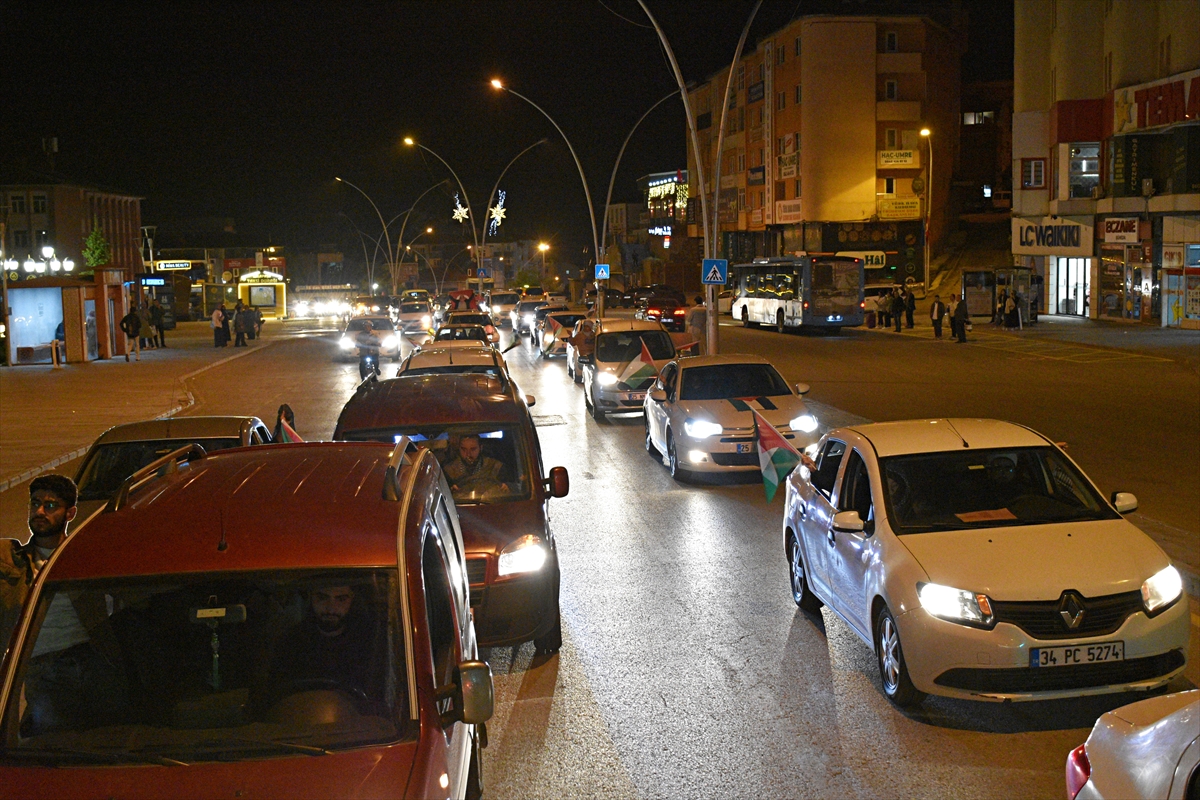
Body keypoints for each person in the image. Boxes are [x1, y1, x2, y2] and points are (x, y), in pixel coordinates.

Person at [1, 475, 126, 734]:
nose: (39, 512)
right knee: (51, 732)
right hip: (42, 664)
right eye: (35, 504)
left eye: (50, 506)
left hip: (90, 658)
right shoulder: (14, 561)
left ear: (70, 513)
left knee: (112, 733)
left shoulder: (83, 558)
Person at [261, 583, 381, 713]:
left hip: (354, 726)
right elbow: (273, 694)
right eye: (322, 597)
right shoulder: (290, 642)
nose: (331, 608)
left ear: (352, 600)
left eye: (341, 599)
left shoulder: (368, 643)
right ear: (311, 597)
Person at [443, 434, 507, 498]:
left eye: (473, 449)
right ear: (459, 448)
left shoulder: (495, 467)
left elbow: (511, 488)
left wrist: (506, 487)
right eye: (463, 449)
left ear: (480, 448)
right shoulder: (448, 471)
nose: (468, 454)